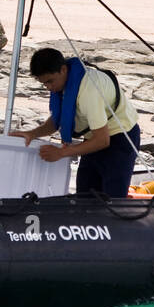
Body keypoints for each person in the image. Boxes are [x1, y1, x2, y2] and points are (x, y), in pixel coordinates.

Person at [9, 47, 141, 198]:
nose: (49, 87)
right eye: (44, 84)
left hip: (121, 138)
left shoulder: (89, 91)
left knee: (113, 198)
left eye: (50, 81)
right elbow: (58, 120)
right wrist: (32, 134)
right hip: (94, 136)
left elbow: (102, 141)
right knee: (85, 195)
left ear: (63, 69)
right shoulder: (65, 84)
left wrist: (61, 153)